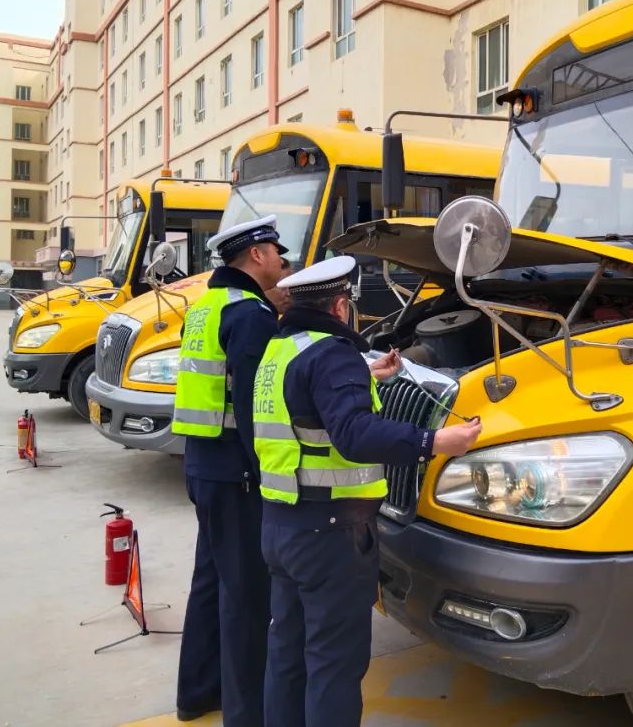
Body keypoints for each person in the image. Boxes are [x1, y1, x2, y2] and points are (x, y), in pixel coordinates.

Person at [252, 255, 482, 727]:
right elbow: (354, 435)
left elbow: (305, 403)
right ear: (341, 307)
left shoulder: (280, 350)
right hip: (329, 535)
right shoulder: (333, 354)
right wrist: (436, 441)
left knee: (288, 653)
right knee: (334, 662)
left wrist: (366, 375)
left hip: (281, 525)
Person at [172, 215, 292, 726]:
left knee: (211, 582)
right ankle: (246, 714)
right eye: (278, 253)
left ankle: (198, 692)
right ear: (258, 255)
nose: (284, 262)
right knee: (246, 596)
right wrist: (269, 475)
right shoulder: (249, 315)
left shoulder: (206, 306)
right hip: (236, 473)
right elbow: (253, 409)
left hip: (203, 466)